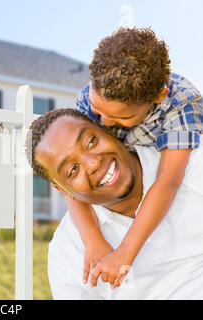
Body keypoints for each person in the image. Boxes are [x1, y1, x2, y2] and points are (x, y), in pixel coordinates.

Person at [67, 27, 203, 288]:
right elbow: (66, 175)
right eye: (98, 110)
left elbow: (168, 180)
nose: (104, 122)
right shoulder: (89, 96)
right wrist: (92, 238)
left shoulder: (182, 102)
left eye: (121, 118)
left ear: (157, 97)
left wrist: (125, 253)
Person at [25, 108, 203, 299]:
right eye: (73, 169)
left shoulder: (192, 161)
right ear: (64, 190)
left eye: (91, 142)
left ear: (108, 130)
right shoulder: (69, 251)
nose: (93, 164)